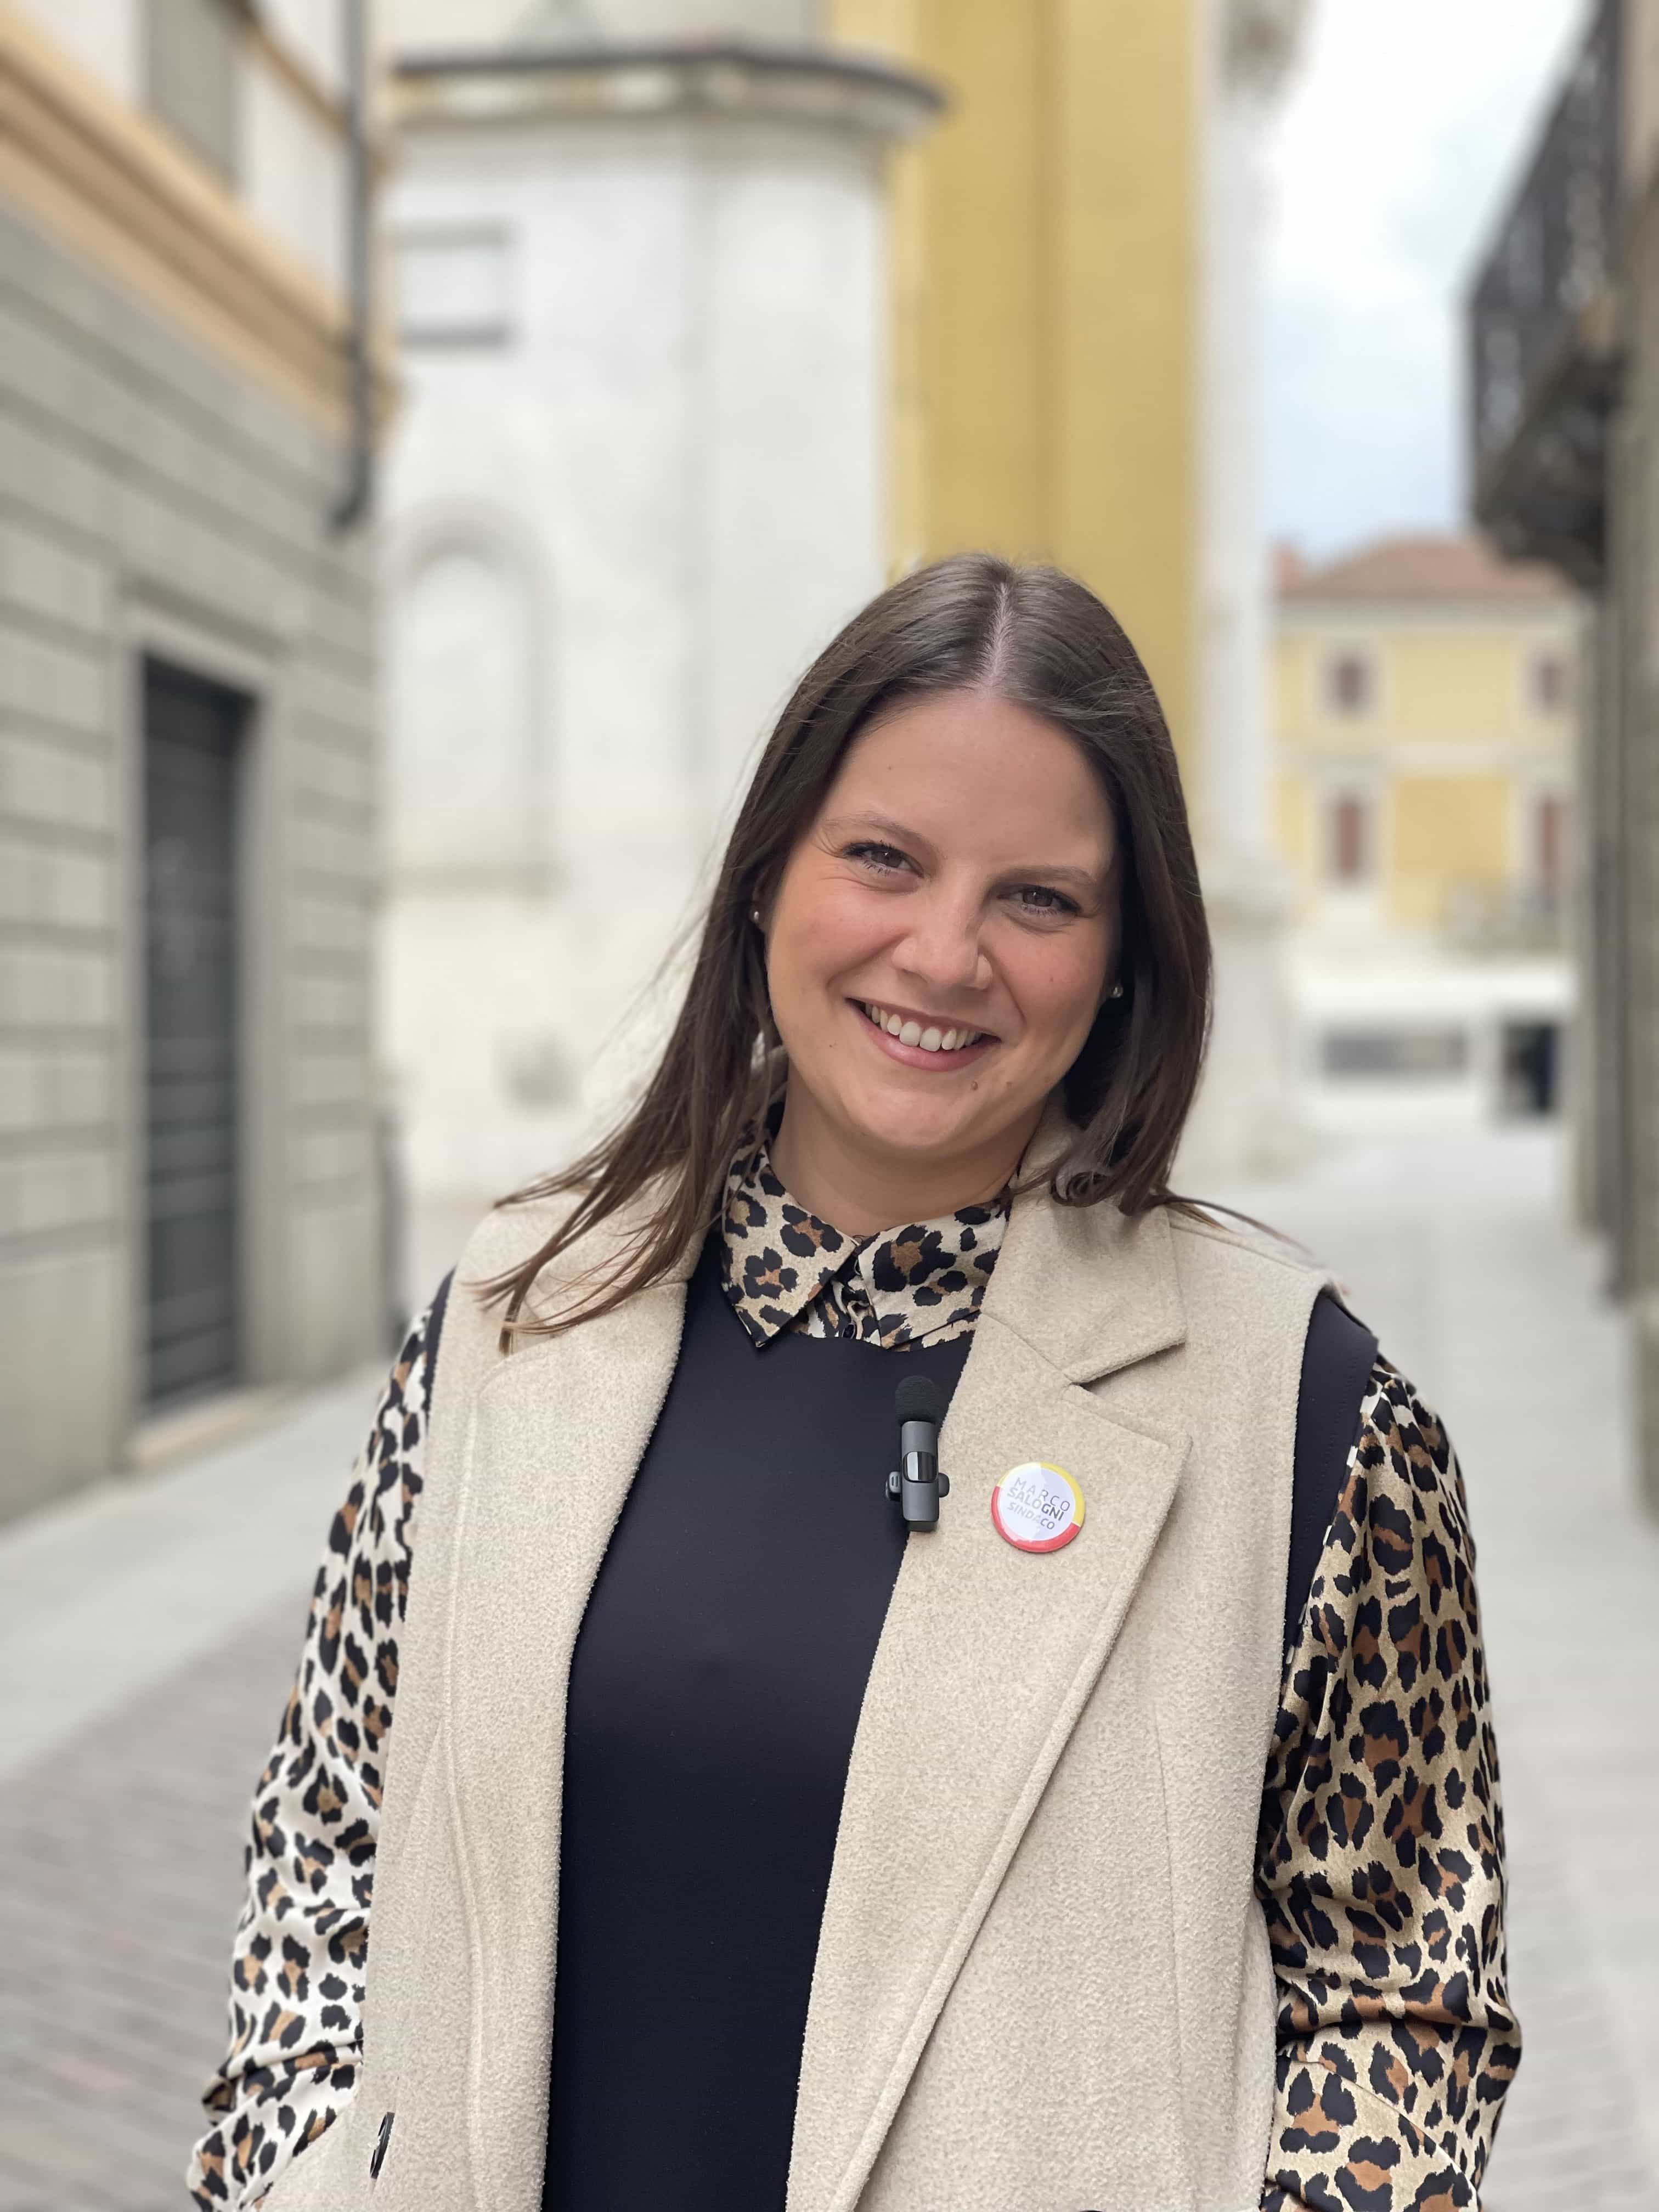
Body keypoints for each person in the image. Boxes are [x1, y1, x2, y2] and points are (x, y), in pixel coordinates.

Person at [188, 555, 1518, 2212]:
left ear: (1125, 956)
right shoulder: (510, 1317)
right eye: (883, 859)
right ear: (769, 883)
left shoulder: (1306, 1413)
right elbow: (329, 1840)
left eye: (1038, 898)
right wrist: (284, 2179)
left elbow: (1403, 1986)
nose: (945, 954)